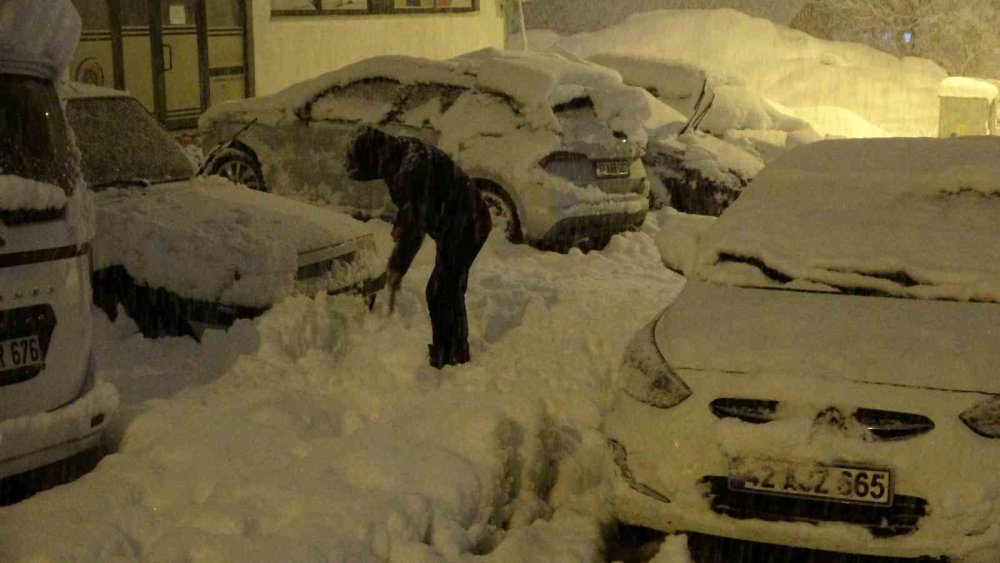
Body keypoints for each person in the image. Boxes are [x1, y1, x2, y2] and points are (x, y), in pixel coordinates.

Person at [345, 126, 491, 368]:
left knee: (443, 289)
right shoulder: (399, 152)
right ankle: (450, 350)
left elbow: (416, 223)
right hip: (456, 219)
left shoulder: (409, 169)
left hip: (468, 224)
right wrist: (403, 221)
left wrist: (397, 268)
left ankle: (453, 356)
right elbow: (416, 204)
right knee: (445, 288)